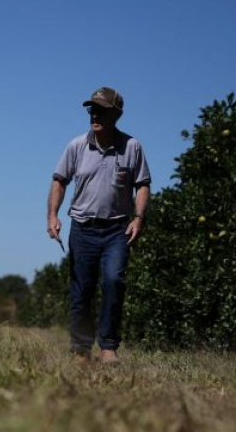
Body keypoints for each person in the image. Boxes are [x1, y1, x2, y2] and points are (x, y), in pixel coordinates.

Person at [46, 87, 151, 365]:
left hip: (117, 229)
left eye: (101, 109)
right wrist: (52, 216)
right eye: (92, 109)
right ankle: (81, 349)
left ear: (116, 114)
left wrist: (139, 218)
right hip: (82, 227)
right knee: (83, 288)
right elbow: (59, 180)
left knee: (114, 281)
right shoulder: (77, 146)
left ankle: (108, 348)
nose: (95, 114)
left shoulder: (132, 147)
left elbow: (142, 185)